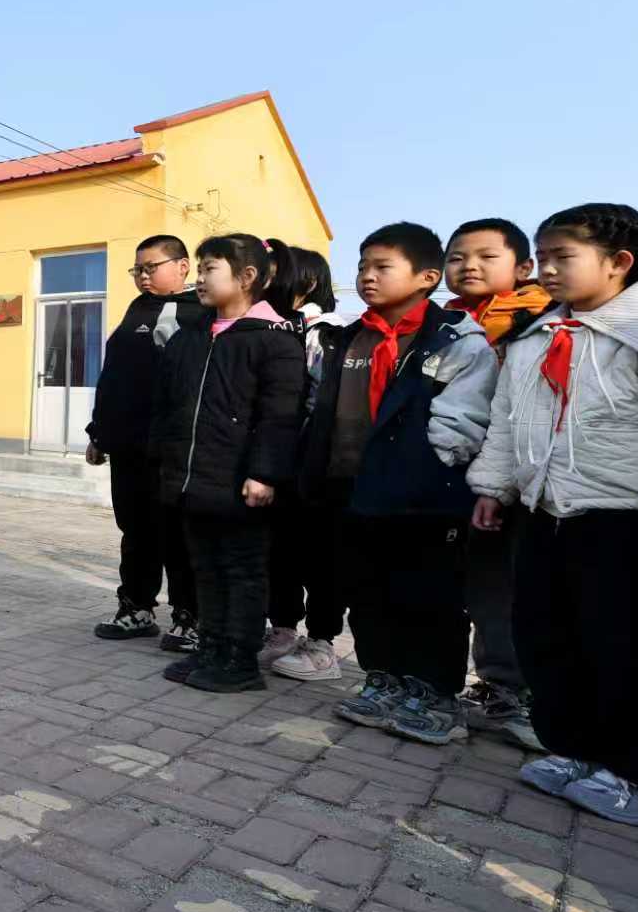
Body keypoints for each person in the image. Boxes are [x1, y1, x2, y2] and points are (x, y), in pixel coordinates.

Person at [468, 204, 638, 827]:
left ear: (619, 263)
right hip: (548, 513)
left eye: (563, 257)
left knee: (634, 649)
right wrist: (494, 485)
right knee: (551, 639)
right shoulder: (538, 335)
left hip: (630, 519)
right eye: (543, 257)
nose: (547, 269)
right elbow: (508, 421)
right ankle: (578, 750)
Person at [299, 223, 496, 745]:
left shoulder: (454, 339)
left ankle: (435, 694)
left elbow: (463, 421)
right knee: (366, 594)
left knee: (428, 598)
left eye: (382, 267)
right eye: (362, 266)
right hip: (351, 491)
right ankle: (382, 679)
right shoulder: (349, 337)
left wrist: (424, 472)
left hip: (422, 498)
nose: (367, 276)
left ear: (427, 277)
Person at [152, 234, 304, 693]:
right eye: (198, 269)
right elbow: (170, 406)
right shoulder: (190, 337)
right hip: (194, 479)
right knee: (206, 567)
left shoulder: (274, 340)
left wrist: (264, 473)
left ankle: (239, 660)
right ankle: (212, 647)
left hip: (241, 483)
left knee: (241, 571)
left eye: (209, 269)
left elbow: (280, 416)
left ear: (247, 276)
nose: (199, 278)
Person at [442, 218, 550, 748]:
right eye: (458, 257)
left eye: (487, 256)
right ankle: (495, 684)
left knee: (510, 587)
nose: (469, 266)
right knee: (480, 585)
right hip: (460, 474)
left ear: (524, 267)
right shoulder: (447, 322)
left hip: (517, 477)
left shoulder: (539, 322)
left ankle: (521, 695)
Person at [87, 234, 205, 652]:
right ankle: (136, 608)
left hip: (173, 448)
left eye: (150, 267)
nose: (142, 276)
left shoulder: (200, 313)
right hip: (128, 445)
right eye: (137, 269)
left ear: (182, 266)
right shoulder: (137, 308)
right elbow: (114, 377)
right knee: (135, 531)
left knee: (177, 534)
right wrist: (98, 432)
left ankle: (190, 616)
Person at [267, 246, 349, 681]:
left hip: (315, 460)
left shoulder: (328, 331)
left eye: (276, 272)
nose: (266, 280)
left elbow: (323, 400)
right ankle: (282, 629)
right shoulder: (270, 327)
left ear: (309, 281)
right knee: (279, 550)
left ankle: (322, 643)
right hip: (276, 456)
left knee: (322, 555)